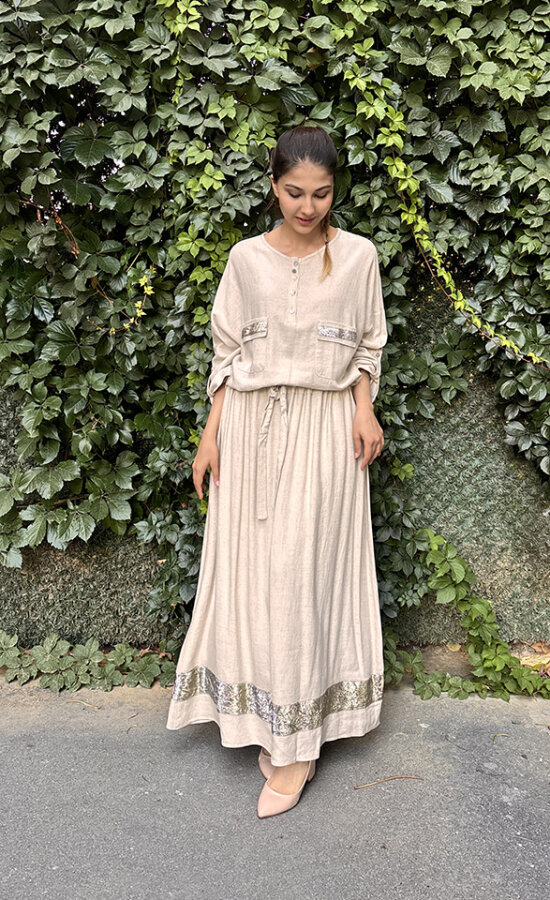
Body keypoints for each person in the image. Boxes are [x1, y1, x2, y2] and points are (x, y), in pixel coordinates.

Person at [166, 125, 388, 819]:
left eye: (321, 193)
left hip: (326, 433)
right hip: (249, 430)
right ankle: (274, 722)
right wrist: (210, 438)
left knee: (303, 576)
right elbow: (227, 355)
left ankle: (296, 747)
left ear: (334, 190)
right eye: (294, 192)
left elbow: (369, 344)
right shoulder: (245, 260)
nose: (307, 207)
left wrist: (364, 409)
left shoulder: (359, 256)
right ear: (273, 186)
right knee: (257, 579)